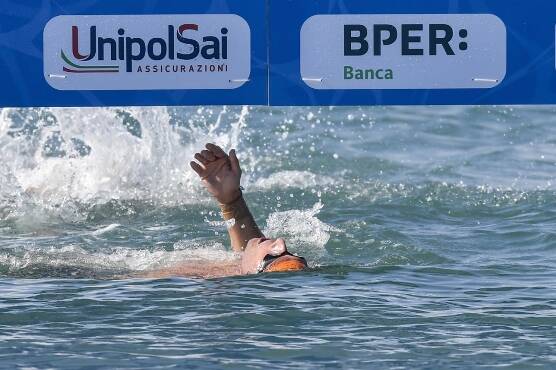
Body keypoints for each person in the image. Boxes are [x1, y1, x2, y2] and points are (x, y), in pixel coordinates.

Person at [143, 143, 308, 279]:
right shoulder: (237, 268)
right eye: (290, 253)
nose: (280, 242)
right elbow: (245, 256)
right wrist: (230, 200)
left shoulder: (192, 277)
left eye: (273, 256)